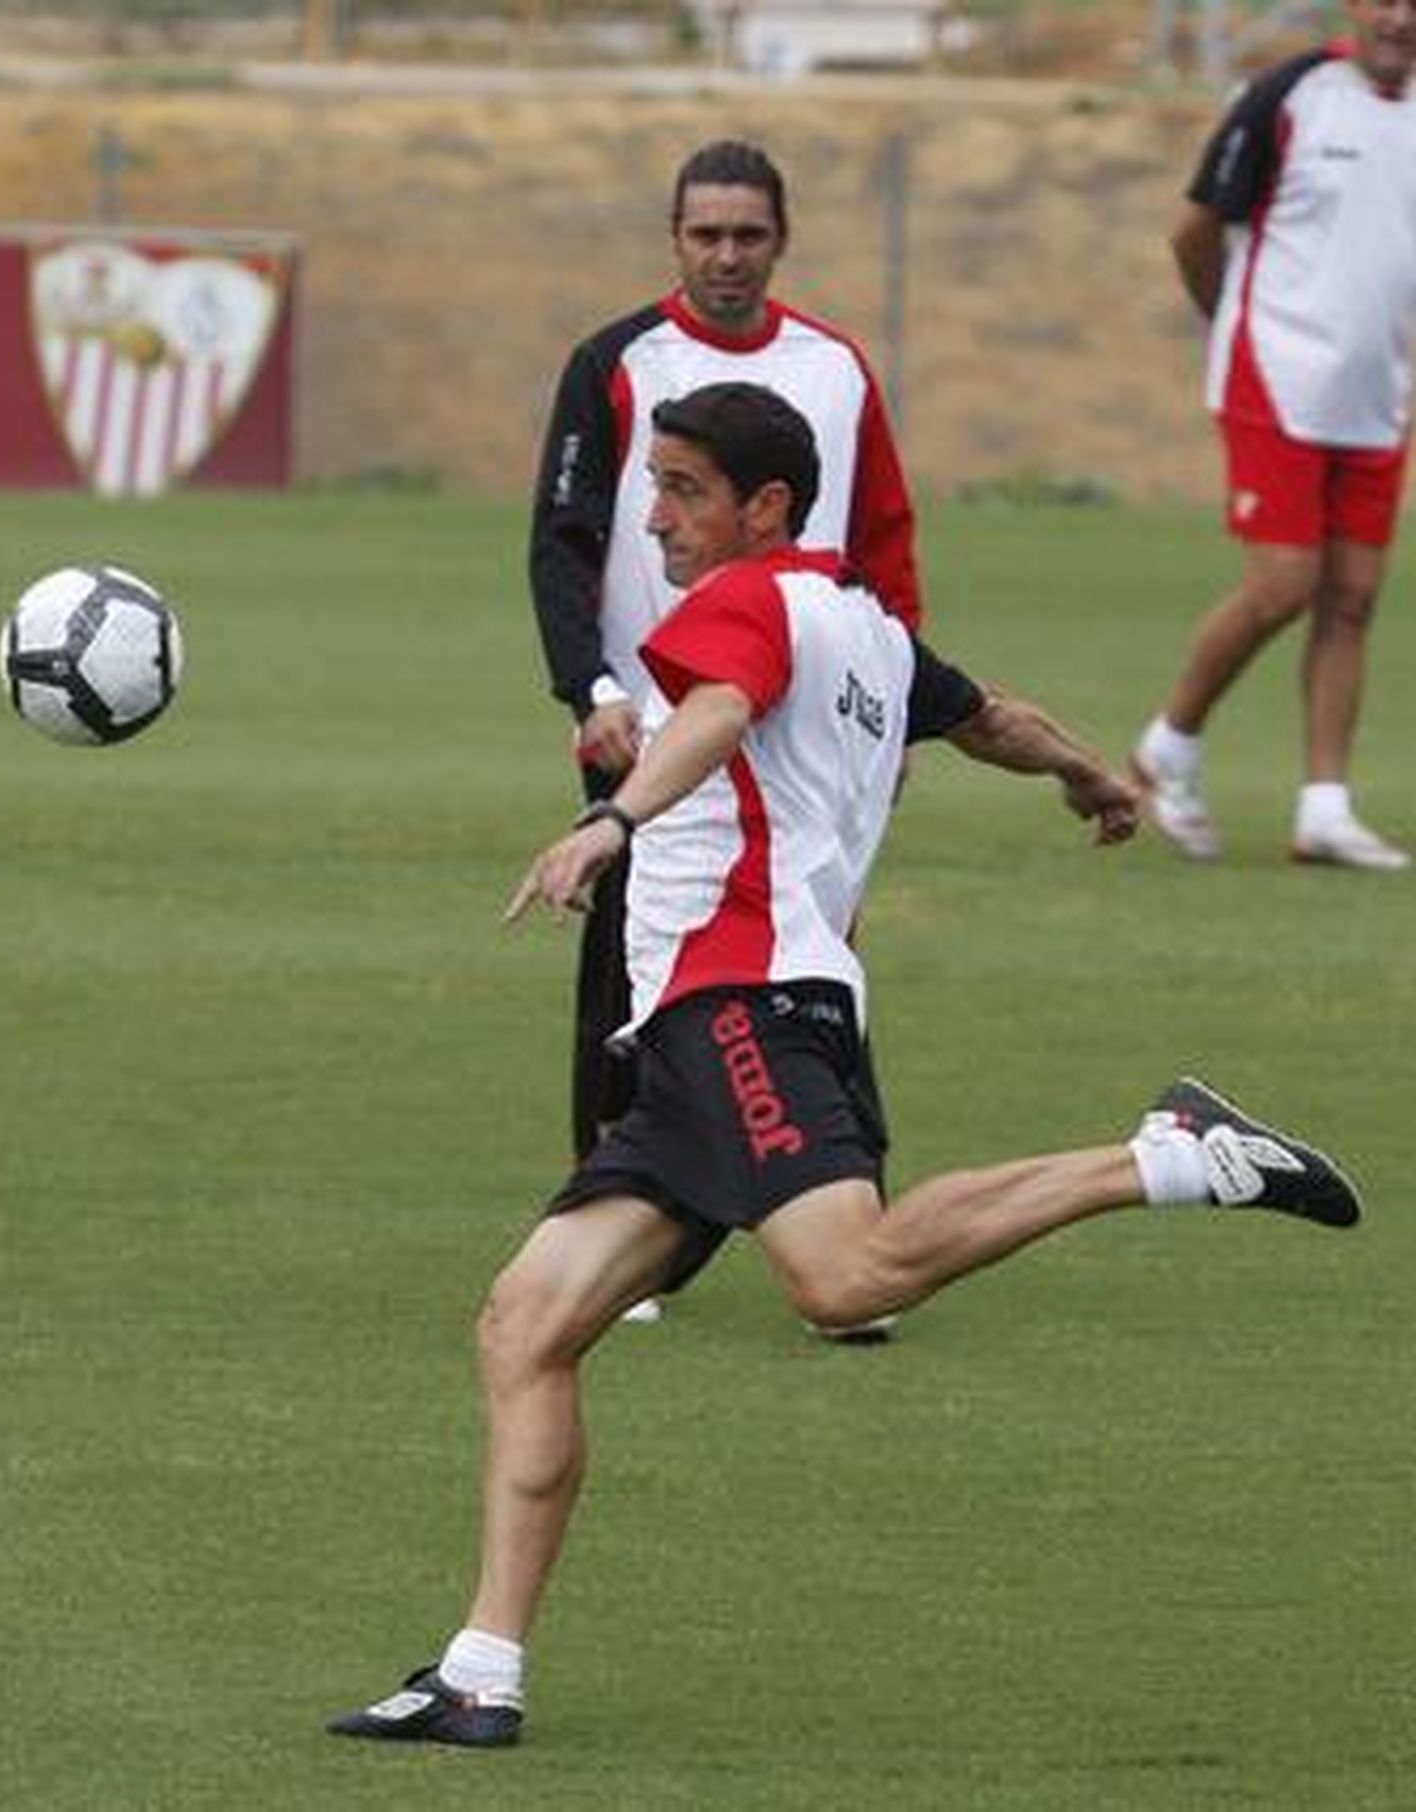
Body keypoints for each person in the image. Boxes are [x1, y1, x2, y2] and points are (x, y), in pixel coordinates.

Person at [329, 383, 1362, 1751]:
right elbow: (990, 713)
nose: (659, 516)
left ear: (765, 509)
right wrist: (1089, 775)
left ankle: (1170, 1151)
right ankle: (481, 1670)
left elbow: (713, 713)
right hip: (703, 1037)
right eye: (656, 487)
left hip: (744, 1005)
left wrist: (611, 822)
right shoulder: (869, 629)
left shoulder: (750, 610)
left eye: (685, 490)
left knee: (846, 1278)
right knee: (526, 1328)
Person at [530, 138, 921, 1331]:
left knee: (810, 969)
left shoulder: (837, 371)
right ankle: (619, 1213)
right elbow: (562, 541)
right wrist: (592, 689)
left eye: (748, 234)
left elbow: (887, 546)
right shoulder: (615, 361)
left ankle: (861, 1237)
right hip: (652, 721)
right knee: (638, 968)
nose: (726, 255)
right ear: (674, 238)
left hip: (810, 726)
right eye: (704, 233)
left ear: (780, 239)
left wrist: (892, 706)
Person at [1132, 0, 1416, 870]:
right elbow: (1192, 233)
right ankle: (1166, 748)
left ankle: (1324, 808)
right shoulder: (1288, 94)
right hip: (1275, 380)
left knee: (1354, 595)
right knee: (1285, 583)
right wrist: (1236, 329)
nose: (1399, 17)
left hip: (1378, 393)